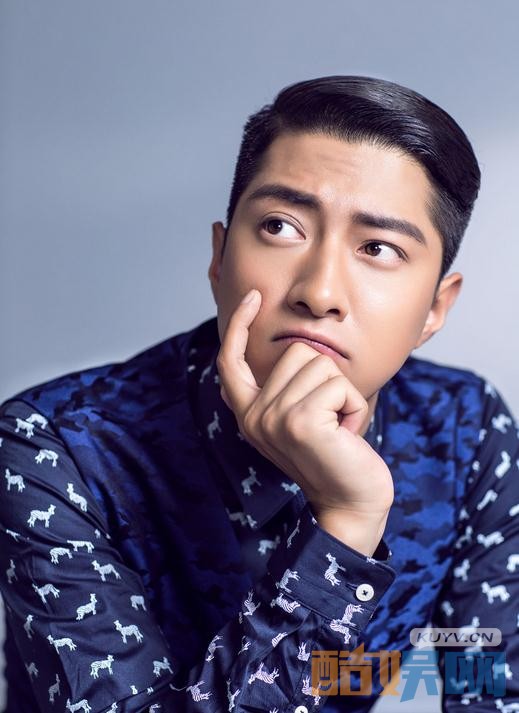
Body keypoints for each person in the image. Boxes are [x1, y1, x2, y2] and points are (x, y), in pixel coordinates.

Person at [0, 75, 517, 713]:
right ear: (220, 259)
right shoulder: (55, 449)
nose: (319, 292)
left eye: (377, 248)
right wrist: (345, 525)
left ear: (435, 308)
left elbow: (493, 690)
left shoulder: (465, 432)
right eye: (280, 226)